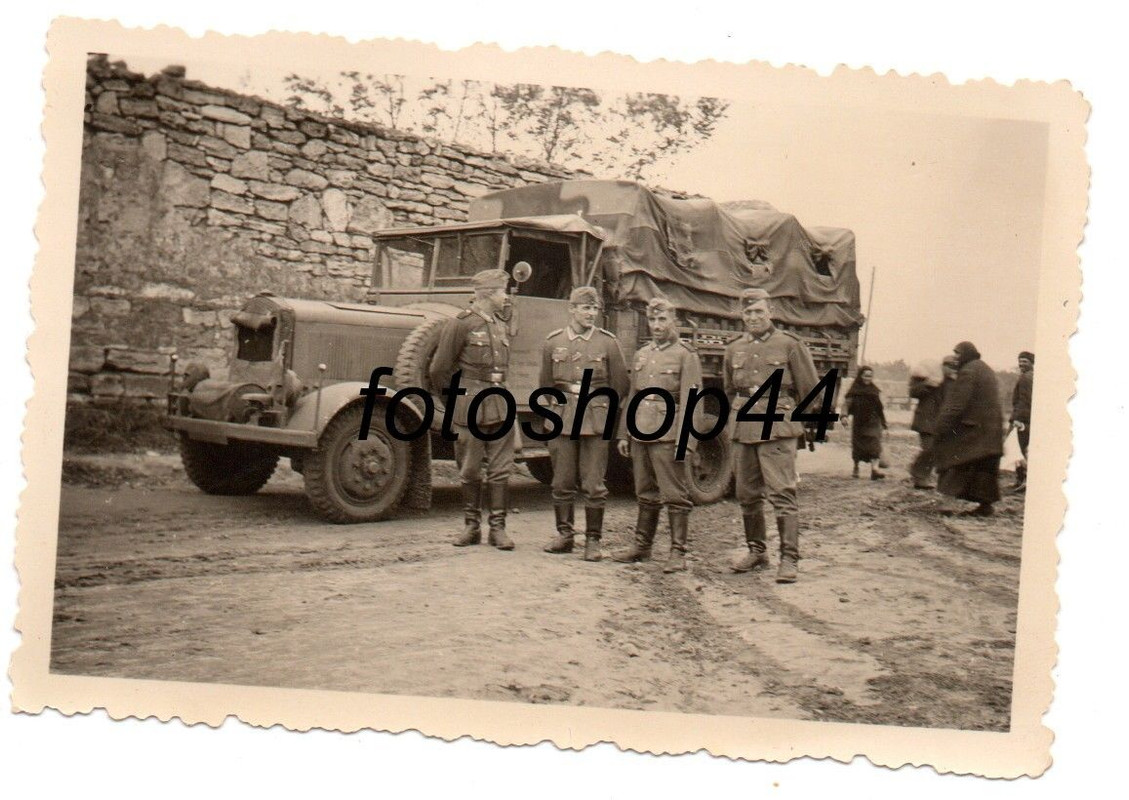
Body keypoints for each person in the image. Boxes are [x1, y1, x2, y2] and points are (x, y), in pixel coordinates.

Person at [724, 288, 819, 584]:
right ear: (742, 315)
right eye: (748, 312)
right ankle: (757, 551)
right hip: (744, 428)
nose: (753, 317)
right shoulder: (733, 348)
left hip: (777, 427)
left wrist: (794, 424)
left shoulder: (789, 344)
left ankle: (789, 558)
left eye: (758, 311)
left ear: (770, 312)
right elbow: (730, 390)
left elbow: (811, 392)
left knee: (782, 493)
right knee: (747, 494)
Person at [611, 297, 703, 573]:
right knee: (644, 491)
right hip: (640, 431)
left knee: (675, 494)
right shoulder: (642, 354)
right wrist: (624, 434)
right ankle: (642, 546)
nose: (657, 325)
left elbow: (692, 401)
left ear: (675, 321)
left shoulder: (686, 355)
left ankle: (678, 552)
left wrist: (687, 441)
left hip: (668, 433)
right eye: (653, 320)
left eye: (663, 319)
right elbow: (632, 396)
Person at [429, 268, 516, 550]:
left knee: (501, 469)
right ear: (489, 294)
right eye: (503, 291)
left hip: (500, 402)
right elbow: (439, 369)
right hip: (470, 404)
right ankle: (471, 527)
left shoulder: (500, 324)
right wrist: (454, 402)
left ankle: (498, 529)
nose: (506, 296)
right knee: (469, 469)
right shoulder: (461, 324)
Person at [540, 286, 629, 561]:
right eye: (586, 308)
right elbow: (545, 384)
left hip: (595, 418)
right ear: (572, 310)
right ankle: (564, 535)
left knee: (593, 483)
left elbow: (621, 385)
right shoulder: (553, 342)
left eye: (594, 309)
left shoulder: (607, 343)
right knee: (562, 480)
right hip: (563, 416)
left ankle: (593, 540)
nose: (591, 314)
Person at [934, 341, 1005, 516]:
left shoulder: (968, 372)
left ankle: (947, 504)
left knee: (956, 460)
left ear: (966, 354)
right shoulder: (985, 369)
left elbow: (957, 404)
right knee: (984, 467)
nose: (956, 358)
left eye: (958, 354)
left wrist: (941, 425)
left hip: (974, 429)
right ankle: (985, 506)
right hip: (992, 429)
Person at [842, 367, 887, 480]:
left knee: (875, 445)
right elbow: (846, 405)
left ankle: (875, 470)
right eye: (866, 375)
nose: (868, 378)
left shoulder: (874, 391)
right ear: (860, 376)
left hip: (873, 422)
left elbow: (880, 408)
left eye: (870, 376)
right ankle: (856, 467)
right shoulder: (854, 391)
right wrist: (844, 416)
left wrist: (884, 422)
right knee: (858, 447)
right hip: (859, 423)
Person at [907, 358, 946, 489]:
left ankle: (920, 476)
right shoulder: (922, 377)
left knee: (935, 450)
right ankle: (918, 474)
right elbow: (913, 392)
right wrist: (928, 384)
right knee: (929, 448)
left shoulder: (947, 381)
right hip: (924, 419)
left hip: (938, 420)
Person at [1009, 351, 1034, 491]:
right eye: (1020, 361)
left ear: (1032, 363)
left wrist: (1018, 420)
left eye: (1025, 361)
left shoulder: (1026, 378)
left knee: (1019, 449)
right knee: (1020, 449)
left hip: (1021, 419)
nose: (1021, 364)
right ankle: (1020, 480)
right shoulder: (1029, 377)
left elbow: (1024, 401)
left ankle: (1024, 480)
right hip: (1024, 418)